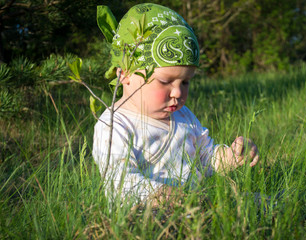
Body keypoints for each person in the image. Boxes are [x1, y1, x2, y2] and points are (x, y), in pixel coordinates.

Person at [93, 3, 259, 206]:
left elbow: (205, 158)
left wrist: (232, 157)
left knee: (260, 203)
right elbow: (120, 184)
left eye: (185, 82)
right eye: (165, 82)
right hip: (145, 219)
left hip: (198, 207)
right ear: (125, 74)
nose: (178, 92)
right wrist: (170, 197)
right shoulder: (114, 125)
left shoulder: (183, 117)